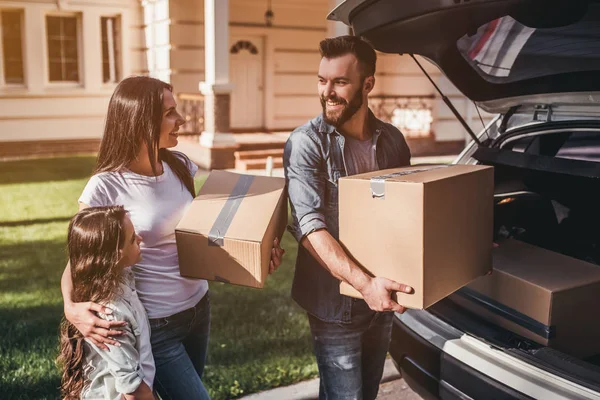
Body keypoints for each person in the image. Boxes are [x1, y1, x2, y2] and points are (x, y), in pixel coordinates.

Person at [60, 76, 285, 399]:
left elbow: (201, 233)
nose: (181, 120)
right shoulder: (105, 186)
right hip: (155, 326)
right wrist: (71, 307)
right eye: (170, 113)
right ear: (140, 120)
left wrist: (259, 255)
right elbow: (79, 260)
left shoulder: (180, 165)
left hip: (198, 309)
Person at [283, 36, 413, 400]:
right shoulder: (306, 143)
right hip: (334, 305)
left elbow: (410, 210)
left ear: (367, 84)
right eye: (322, 80)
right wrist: (364, 285)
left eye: (340, 81)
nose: (328, 92)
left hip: (381, 297)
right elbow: (309, 226)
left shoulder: (393, 141)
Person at [57, 206, 154, 400]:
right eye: (133, 238)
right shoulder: (111, 316)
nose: (140, 239)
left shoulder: (120, 277)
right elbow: (132, 388)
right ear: (117, 256)